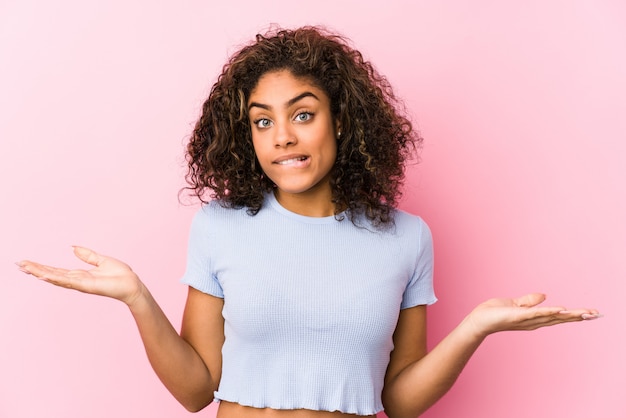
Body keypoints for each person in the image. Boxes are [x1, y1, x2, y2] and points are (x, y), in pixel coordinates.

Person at [16, 26, 600, 418]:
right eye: (262, 121)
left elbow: (398, 400)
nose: (284, 137)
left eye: (302, 114)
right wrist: (138, 299)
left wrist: (474, 328)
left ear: (341, 121)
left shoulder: (407, 238)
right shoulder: (220, 227)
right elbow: (196, 391)